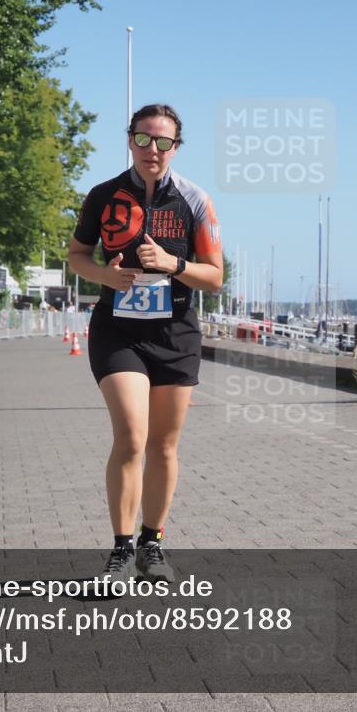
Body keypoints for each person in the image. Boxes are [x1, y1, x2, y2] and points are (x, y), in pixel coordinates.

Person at [67, 104, 223, 583]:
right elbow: (76, 257)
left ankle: (151, 545)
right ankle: (119, 548)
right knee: (132, 437)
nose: (151, 150)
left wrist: (172, 265)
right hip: (118, 330)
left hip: (174, 332)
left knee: (163, 446)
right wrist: (106, 276)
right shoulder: (102, 195)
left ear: (176, 147)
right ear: (129, 139)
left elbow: (214, 278)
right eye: (142, 139)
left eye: (162, 142)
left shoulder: (195, 200)